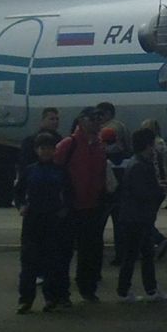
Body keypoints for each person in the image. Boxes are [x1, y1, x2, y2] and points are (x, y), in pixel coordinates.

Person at [53, 110, 110, 302]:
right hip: (71, 207)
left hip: (92, 206)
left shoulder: (99, 146)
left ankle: (88, 288)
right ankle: (61, 293)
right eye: (91, 119)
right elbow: (56, 171)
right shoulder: (69, 144)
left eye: (98, 119)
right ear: (80, 121)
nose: (96, 123)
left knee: (91, 251)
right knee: (64, 251)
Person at [16, 132, 73, 312]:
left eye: (50, 148)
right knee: (29, 262)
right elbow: (18, 192)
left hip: (53, 220)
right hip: (33, 220)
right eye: (43, 148)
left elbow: (70, 194)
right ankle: (25, 299)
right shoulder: (29, 170)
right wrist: (21, 206)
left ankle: (51, 297)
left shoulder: (61, 171)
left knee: (53, 262)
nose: (46, 152)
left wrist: (65, 210)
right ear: (36, 150)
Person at [115, 128, 167, 301]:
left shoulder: (136, 163)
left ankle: (133, 290)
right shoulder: (141, 165)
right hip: (138, 217)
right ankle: (146, 289)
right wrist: (160, 190)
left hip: (133, 217)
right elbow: (142, 193)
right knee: (140, 255)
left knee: (135, 255)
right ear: (147, 145)